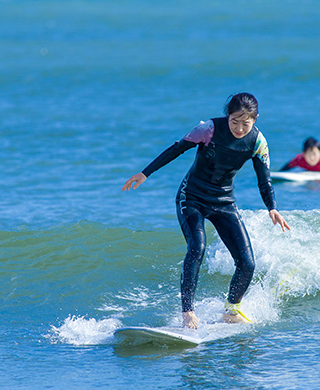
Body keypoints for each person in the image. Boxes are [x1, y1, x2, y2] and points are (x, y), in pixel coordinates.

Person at [122, 93, 290, 329]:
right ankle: (188, 312)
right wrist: (145, 173)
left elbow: (265, 180)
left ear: (256, 119)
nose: (240, 128)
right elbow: (176, 149)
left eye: (246, 123)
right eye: (234, 122)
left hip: (224, 201)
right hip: (192, 196)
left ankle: (232, 309)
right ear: (227, 116)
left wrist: (272, 208)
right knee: (197, 247)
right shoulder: (208, 129)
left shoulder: (258, 142)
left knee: (247, 263)